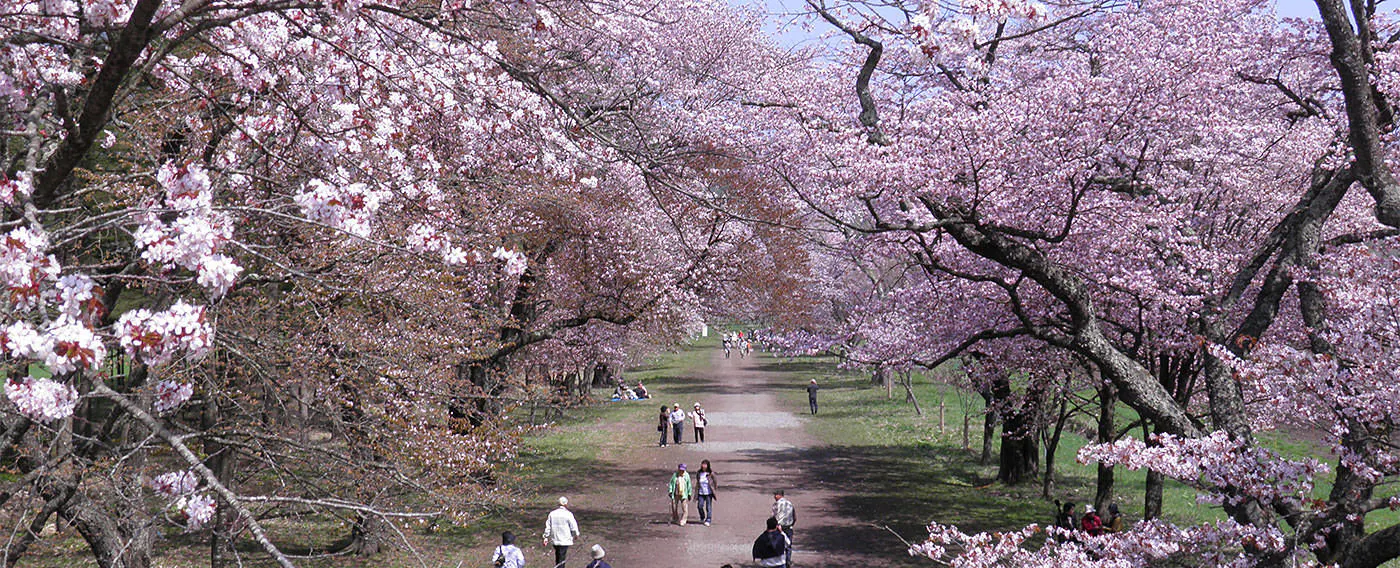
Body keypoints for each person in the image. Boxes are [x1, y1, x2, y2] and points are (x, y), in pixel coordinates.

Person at [543, 497, 579, 568]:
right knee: (562, 558)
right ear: (566, 504)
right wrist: (576, 534)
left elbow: (548, 526)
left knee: (558, 556)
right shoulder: (568, 514)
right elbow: (573, 526)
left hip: (555, 539)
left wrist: (546, 536)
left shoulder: (552, 514)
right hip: (565, 539)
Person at [771, 490, 795, 567]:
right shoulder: (790, 504)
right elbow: (794, 516)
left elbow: (773, 517)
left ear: (779, 495)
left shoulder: (776, 504)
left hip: (779, 527)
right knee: (788, 545)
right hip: (789, 527)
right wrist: (792, 524)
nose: (774, 496)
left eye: (775, 495)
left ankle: (779, 563)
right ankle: (788, 562)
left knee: (777, 545)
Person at [696, 459, 717, 526]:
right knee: (700, 506)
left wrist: (713, 489)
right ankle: (702, 516)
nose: (704, 466)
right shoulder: (699, 473)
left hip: (708, 493)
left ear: (708, 465)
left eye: (705, 464)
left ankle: (708, 519)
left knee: (708, 507)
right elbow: (697, 481)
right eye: (703, 464)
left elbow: (715, 481)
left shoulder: (711, 473)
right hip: (701, 492)